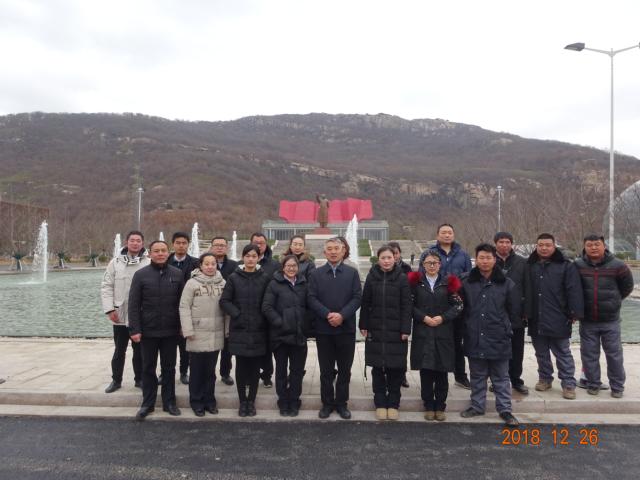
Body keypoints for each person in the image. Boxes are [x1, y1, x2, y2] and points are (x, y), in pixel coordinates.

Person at [459, 243, 521, 426]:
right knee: (477, 375)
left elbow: (513, 311)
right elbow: (461, 310)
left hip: (499, 336)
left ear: (495, 260)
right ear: (476, 260)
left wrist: (507, 329)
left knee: (501, 377)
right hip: (474, 335)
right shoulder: (466, 282)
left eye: (488, 258)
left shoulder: (506, 283)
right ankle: (477, 406)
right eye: (481, 258)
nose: (485, 261)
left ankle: (505, 410)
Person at [128, 241, 185, 420]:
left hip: (170, 331)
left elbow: (182, 304)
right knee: (148, 368)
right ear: (150, 254)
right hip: (148, 331)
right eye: (156, 251)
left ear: (168, 253)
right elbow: (133, 304)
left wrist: (183, 327)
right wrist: (135, 329)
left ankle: (169, 402)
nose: (160, 254)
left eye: (163, 251)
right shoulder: (140, 275)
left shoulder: (177, 274)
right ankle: (148, 403)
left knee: (169, 368)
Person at [308, 237, 362, 420]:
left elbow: (357, 297)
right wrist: (327, 315)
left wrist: (342, 315)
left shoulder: (352, 273)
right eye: (329, 249)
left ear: (343, 251)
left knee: (345, 370)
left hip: (346, 329)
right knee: (326, 370)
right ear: (324, 252)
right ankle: (327, 403)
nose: (333, 252)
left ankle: (341, 403)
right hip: (324, 330)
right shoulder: (316, 274)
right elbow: (311, 298)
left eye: (336, 248)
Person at [574, 234, 634, 398]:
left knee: (614, 355)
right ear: (584, 247)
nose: (593, 247)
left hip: (610, 320)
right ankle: (593, 384)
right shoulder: (578, 265)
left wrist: (614, 300)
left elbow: (627, 287)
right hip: (587, 320)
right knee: (589, 355)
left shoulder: (618, 265)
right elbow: (573, 287)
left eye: (597, 244)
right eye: (589, 245)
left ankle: (617, 386)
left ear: (604, 246)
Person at [526, 233, 583, 400]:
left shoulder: (566, 265)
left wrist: (575, 312)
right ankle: (545, 378)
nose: (544, 248)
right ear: (536, 246)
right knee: (541, 352)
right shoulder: (530, 265)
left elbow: (574, 290)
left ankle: (568, 384)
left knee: (562, 352)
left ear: (554, 246)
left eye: (548, 245)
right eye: (541, 245)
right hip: (536, 317)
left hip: (559, 316)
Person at [408, 252, 463, 422]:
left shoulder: (448, 282)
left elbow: (458, 305)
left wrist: (443, 318)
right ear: (423, 264)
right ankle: (428, 405)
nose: (432, 266)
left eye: (435, 262)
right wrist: (423, 317)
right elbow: (409, 305)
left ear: (440, 264)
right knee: (426, 371)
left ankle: (440, 406)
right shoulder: (416, 283)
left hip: (443, 332)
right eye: (428, 263)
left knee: (441, 371)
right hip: (423, 331)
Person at [359, 245, 411, 421]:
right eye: (383, 258)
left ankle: (393, 404)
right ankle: (380, 403)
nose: (387, 261)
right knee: (378, 368)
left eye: (389, 257)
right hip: (376, 329)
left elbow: (407, 305)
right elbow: (365, 303)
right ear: (378, 259)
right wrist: (363, 324)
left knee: (395, 368)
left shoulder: (402, 278)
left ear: (395, 258)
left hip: (396, 331)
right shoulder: (371, 277)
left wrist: (406, 328)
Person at [418, 223, 472, 389]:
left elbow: (469, 277)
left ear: (453, 235)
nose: (447, 235)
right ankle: (435, 374)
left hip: (456, 304)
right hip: (433, 304)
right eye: (443, 232)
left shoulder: (463, 254)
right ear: (437, 235)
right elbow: (421, 276)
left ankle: (460, 375)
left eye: (449, 232)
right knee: (434, 342)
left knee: (457, 341)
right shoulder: (429, 253)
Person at [219, 244, 271, 417]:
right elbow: (225, 301)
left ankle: (251, 402)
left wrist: (262, 317)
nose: (250, 259)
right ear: (243, 257)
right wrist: (237, 315)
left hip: (258, 329)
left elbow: (269, 301)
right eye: (247, 256)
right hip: (240, 329)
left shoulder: (265, 278)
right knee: (241, 368)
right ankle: (242, 402)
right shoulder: (234, 278)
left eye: (254, 256)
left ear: (258, 258)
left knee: (255, 369)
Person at [100, 230, 149, 393]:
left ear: (142, 243)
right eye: (132, 240)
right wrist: (109, 309)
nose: (135, 243)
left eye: (138, 240)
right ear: (126, 242)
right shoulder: (115, 263)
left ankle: (140, 379)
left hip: (140, 315)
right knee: (119, 350)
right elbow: (107, 287)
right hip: (119, 315)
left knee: (140, 351)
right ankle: (116, 380)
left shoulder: (149, 262)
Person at [179, 252, 227, 416]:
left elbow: (227, 307)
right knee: (197, 371)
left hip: (216, 332)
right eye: (206, 264)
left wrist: (227, 330)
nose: (210, 267)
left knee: (210, 371)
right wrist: (187, 330)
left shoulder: (222, 283)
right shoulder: (192, 283)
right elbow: (184, 307)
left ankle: (209, 401)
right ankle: (196, 401)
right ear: (200, 265)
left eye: (213, 263)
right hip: (197, 332)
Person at [262, 254, 310, 417]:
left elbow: (309, 307)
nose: (291, 268)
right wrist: (280, 322)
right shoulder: (274, 284)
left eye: (294, 266)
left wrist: (305, 325)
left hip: (298, 335)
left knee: (297, 371)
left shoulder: (303, 284)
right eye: (288, 266)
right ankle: (283, 401)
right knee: (281, 371)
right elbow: (267, 307)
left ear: (298, 268)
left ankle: (294, 401)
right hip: (280, 336)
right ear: (283, 267)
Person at [493, 231, 531, 395]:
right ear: (495, 244)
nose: (504, 245)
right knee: (496, 349)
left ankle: (515, 380)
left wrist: (526, 311)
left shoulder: (522, 262)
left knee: (517, 349)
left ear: (512, 244)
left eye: (507, 242)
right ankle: (497, 380)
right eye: (501, 242)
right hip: (495, 313)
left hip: (516, 312)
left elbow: (528, 287)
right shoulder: (489, 261)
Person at [168, 231, 200, 386]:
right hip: (168, 307)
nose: (181, 246)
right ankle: (166, 372)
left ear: (188, 245)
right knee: (167, 346)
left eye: (184, 243)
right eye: (178, 243)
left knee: (185, 345)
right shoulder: (165, 260)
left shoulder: (196, 263)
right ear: (173, 244)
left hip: (188, 308)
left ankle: (183, 372)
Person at [250, 232, 279, 388]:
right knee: (251, 345)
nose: (259, 245)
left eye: (261, 242)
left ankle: (267, 374)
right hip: (249, 312)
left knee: (268, 346)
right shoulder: (242, 264)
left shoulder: (274, 265)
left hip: (268, 311)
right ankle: (251, 375)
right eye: (256, 242)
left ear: (266, 244)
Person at [209, 236, 238, 386]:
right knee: (211, 346)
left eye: (222, 245)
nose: (219, 247)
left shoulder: (233, 265)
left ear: (226, 247)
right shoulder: (205, 263)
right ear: (211, 247)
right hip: (210, 310)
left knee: (227, 346)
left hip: (228, 311)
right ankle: (209, 373)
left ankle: (225, 373)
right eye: (216, 245)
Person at [387, 241, 412, 388]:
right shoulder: (380, 268)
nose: (394, 256)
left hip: (401, 312)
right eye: (391, 253)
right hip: (385, 313)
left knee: (401, 349)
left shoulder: (406, 269)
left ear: (399, 253)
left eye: (395, 253)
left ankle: (402, 375)